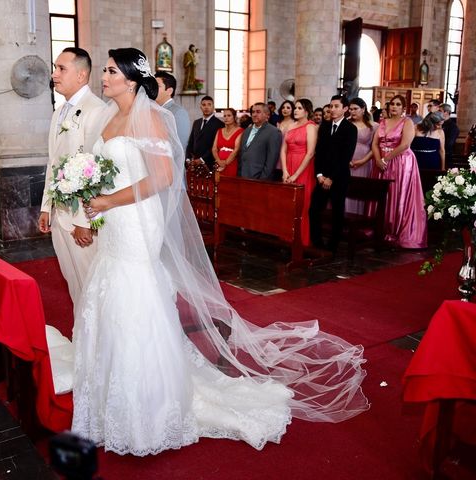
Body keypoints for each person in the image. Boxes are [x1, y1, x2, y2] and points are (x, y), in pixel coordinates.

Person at [75, 47, 368, 457]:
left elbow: (162, 177)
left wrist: (107, 203)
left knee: (134, 293)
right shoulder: (108, 117)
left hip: (136, 219)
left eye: (108, 71)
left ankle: (150, 405)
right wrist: (92, 200)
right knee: (111, 289)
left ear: (129, 78)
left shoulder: (151, 119)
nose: (102, 77)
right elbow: (100, 170)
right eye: (103, 71)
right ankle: (112, 398)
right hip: (114, 222)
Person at [38, 47, 106, 305]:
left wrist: (84, 221)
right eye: (55, 68)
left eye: (61, 69)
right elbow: (53, 161)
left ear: (81, 75)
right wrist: (47, 207)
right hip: (59, 214)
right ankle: (84, 338)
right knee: (74, 286)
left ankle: (99, 341)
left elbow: (95, 170)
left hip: (80, 218)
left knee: (92, 286)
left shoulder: (96, 109)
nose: (54, 74)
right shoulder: (59, 112)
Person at [371, 94, 427, 249]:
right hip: (381, 161)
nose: (394, 107)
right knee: (384, 194)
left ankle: (397, 230)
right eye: (392, 104)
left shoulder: (407, 122)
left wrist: (386, 158)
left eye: (398, 104)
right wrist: (377, 159)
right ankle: (380, 228)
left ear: (403, 108)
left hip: (401, 162)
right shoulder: (382, 122)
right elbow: (375, 143)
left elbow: (405, 145)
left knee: (398, 194)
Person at [309, 95, 357, 253]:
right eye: (331, 106)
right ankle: (317, 243)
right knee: (314, 209)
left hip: (339, 177)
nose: (332, 109)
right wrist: (319, 175)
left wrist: (331, 178)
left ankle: (333, 246)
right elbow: (320, 152)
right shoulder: (324, 126)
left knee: (337, 211)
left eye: (336, 106)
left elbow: (346, 156)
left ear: (344, 109)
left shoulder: (350, 129)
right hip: (322, 177)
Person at [280, 98, 317, 246]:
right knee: (287, 204)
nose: (295, 110)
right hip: (288, 164)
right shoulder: (290, 126)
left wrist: (296, 174)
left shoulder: (311, 127)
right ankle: (286, 238)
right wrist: (285, 171)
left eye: (299, 108)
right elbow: (283, 150)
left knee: (302, 204)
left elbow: (310, 153)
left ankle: (300, 240)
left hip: (304, 167)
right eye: (295, 108)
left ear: (307, 111)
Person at [346, 97, 377, 215]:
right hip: (347, 161)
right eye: (350, 109)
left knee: (360, 191)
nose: (352, 112)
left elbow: (375, 147)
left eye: (355, 109)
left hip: (364, 162)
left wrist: (363, 160)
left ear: (363, 109)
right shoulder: (346, 124)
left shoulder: (374, 126)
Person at [238, 102, 282, 179]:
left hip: (260, 178)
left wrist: (262, 178)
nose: (254, 114)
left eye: (258, 112)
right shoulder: (247, 130)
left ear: (267, 115)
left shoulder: (273, 132)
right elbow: (242, 154)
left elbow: (271, 160)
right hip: (243, 176)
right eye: (253, 112)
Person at [154, 72, 191, 155]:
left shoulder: (179, 113)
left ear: (169, 91)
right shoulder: (154, 110)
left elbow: (179, 147)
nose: (153, 89)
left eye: (158, 86)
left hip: (171, 165)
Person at [186, 96, 224, 169]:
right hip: (194, 163)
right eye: (204, 105)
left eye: (209, 104)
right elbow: (191, 142)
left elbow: (216, 146)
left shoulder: (219, 124)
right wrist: (188, 158)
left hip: (209, 163)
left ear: (213, 107)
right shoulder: (196, 122)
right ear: (200, 107)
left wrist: (201, 159)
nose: (206, 107)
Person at [211, 107, 243, 176]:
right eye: (224, 116)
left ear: (234, 117)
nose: (226, 118)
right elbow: (214, 148)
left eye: (229, 116)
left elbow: (236, 149)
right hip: (218, 164)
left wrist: (225, 163)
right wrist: (219, 161)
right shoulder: (219, 131)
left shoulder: (240, 131)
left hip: (231, 164)